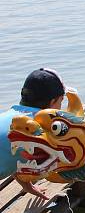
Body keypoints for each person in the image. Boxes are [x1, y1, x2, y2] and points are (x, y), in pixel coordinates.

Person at [1, 69, 66, 202]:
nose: (61, 107)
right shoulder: (39, 128)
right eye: (61, 101)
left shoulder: (7, 117)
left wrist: (27, 186)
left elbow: (10, 153)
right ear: (53, 101)